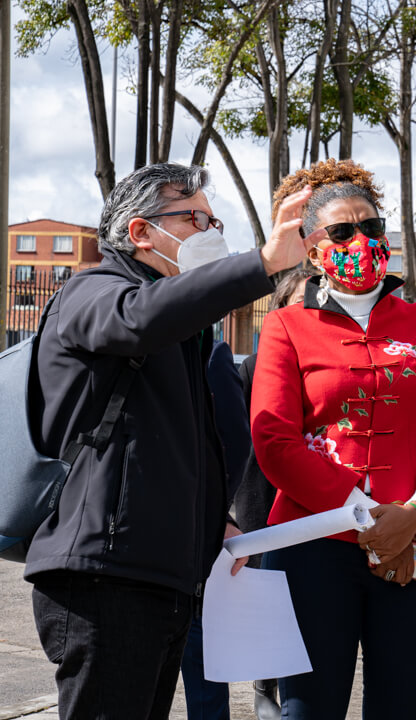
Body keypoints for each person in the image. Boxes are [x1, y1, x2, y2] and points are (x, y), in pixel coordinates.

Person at [25, 162, 318, 719]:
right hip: (104, 576)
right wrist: (258, 265)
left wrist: (218, 522)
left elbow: (183, 452)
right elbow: (138, 320)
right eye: (195, 219)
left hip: (162, 578)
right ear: (140, 232)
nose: (211, 235)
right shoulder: (93, 291)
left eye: (215, 221)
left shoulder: (183, 331)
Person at [250, 158, 416, 720]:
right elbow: (274, 439)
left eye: (371, 228)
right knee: (307, 710)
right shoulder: (284, 326)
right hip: (312, 548)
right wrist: (366, 519)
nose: (362, 240)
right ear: (312, 248)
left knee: (403, 708)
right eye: (343, 232)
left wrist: (413, 516)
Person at [234, 267, 314, 720]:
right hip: (262, 497)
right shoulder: (251, 366)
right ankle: (266, 685)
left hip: (318, 500)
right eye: (300, 300)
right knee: (269, 592)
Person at [181, 339, 253, 720]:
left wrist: (217, 514)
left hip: (191, 546)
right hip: (125, 553)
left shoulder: (207, 350)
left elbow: (236, 442)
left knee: (203, 672)